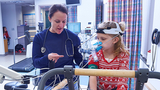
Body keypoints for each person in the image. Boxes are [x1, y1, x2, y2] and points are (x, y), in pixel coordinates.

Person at [32, 4, 83, 90]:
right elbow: (35, 63)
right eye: (57, 21)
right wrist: (47, 58)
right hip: (48, 84)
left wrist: (95, 65)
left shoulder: (73, 37)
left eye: (64, 21)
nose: (61, 25)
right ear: (49, 19)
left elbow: (80, 61)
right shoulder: (39, 38)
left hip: (69, 83)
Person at [88, 21, 129, 90]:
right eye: (98, 38)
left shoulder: (123, 56)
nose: (99, 42)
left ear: (115, 40)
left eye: (103, 39)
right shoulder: (95, 55)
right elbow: (92, 76)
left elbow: (123, 79)